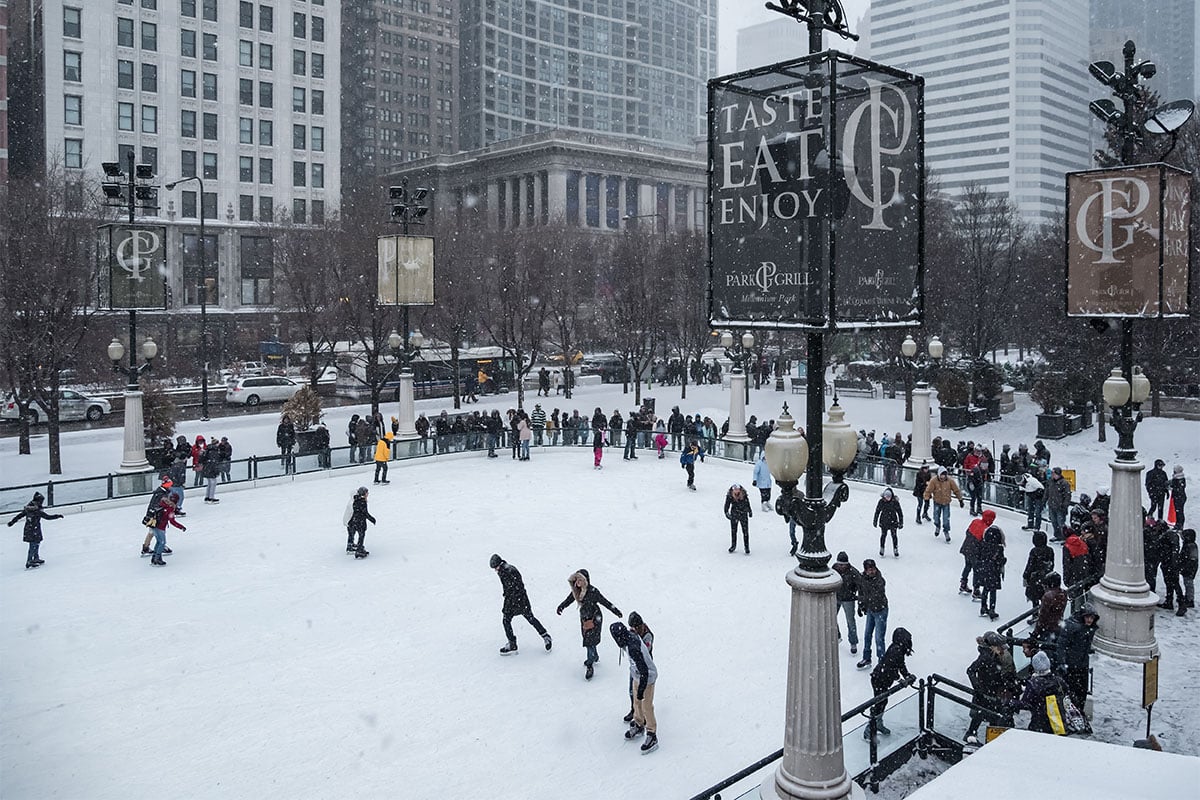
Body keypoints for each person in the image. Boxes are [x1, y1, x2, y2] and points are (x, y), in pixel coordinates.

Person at [556, 569, 622, 680]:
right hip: (585, 619)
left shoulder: (593, 591)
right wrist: (561, 606)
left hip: (595, 618)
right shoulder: (576, 591)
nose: (577, 582)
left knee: (589, 642)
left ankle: (590, 665)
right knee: (589, 640)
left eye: (580, 580)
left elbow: (605, 602)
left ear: (585, 581)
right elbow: (569, 599)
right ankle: (594, 656)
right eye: (576, 579)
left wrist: (616, 611)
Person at [610, 621, 658, 753]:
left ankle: (652, 734)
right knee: (636, 703)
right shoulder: (628, 637)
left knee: (646, 705)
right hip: (636, 675)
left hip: (647, 678)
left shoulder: (633, 646)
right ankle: (638, 723)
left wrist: (642, 689)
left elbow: (645, 671)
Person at [490, 554, 552, 655]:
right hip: (514, 600)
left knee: (526, 619)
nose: (495, 570)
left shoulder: (509, 571)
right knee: (510, 620)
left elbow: (516, 587)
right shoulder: (503, 570)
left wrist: (510, 597)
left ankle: (545, 637)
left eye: (495, 568)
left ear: (499, 564)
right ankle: (513, 644)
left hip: (519, 600)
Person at [863, 628, 915, 739]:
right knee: (879, 703)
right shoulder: (896, 650)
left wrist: (907, 675)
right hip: (879, 679)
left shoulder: (898, 649)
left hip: (882, 679)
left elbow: (901, 665)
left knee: (882, 701)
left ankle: (878, 723)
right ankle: (869, 729)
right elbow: (890, 668)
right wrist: (899, 679)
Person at [964, 631, 1016, 742]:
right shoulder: (985, 657)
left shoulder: (993, 656)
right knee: (987, 716)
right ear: (993, 647)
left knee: (985, 716)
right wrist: (978, 688)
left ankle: (979, 735)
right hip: (987, 692)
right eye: (1000, 648)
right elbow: (970, 670)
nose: (1003, 650)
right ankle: (984, 738)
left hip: (990, 692)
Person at [1013, 651, 1068, 735]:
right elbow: (1066, 693)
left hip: (1039, 723)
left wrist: (1011, 702)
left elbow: (1025, 703)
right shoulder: (1059, 681)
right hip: (1057, 723)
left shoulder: (1033, 684)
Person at [1057, 605, 1099, 710]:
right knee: (1074, 692)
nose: (1089, 620)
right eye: (1088, 617)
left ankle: (1077, 711)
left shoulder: (1083, 628)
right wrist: (1062, 662)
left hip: (1081, 664)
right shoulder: (1075, 628)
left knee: (1080, 692)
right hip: (1072, 665)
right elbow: (1062, 645)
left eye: (1092, 618)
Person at [8, 491, 63, 569]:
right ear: (38, 501)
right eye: (41, 501)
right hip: (32, 529)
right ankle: (29, 561)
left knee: (36, 543)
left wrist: (12, 522)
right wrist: (57, 516)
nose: (42, 503)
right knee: (33, 544)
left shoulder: (30, 508)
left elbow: (19, 516)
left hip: (32, 529)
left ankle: (35, 558)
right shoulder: (36, 510)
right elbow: (48, 517)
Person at [856, 559, 888, 669]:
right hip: (871, 610)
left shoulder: (879, 580)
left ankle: (881, 660)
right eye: (870, 570)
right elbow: (861, 591)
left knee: (879, 637)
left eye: (873, 569)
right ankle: (867, 658)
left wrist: (861, 599)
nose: (872, 571)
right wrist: (860, 605)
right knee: (867, 635)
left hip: (880, 610)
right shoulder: (862, 579)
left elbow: (875, 595)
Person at [623, 612, 655, 722]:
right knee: (632, 691)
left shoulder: (647, 636)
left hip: (644, 668)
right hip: (634, 667)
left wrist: (635, 641)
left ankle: (643, 715)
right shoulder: (634, 633)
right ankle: (634, 710)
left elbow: (645, 651)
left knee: (643, 694)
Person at [923, 467, 964, 542]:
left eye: (944, 475)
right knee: (936, 517)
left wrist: (960, 499)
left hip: (946, 503)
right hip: (937, 502)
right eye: (942, 475)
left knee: (946, 518)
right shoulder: (934, 481)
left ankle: (946, 531)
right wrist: (926, 499)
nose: (943, 477)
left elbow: (956, 490)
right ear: (939, 475)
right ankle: (937, 526)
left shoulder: (950, 481)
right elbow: (928, 490)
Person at [959, 509, 995, 596]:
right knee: (977, 571)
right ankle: (976, 590)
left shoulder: (975, 521)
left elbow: (967, 532)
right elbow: (984, 544)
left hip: (967, 548)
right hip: (975, 553)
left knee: (967, 566)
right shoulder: (986, 530)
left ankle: (963, 583)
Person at [975, 525, 1006, 621]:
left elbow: (979, 557)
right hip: (994, 572)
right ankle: (992, 609)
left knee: (985, 589)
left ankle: (983, 607)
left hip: (984, 570)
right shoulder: (999, 548)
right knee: (993, 591)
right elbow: (1000, 561)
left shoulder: (983, 545)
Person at [833, 552, 861, 655]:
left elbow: (860, 585)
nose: (841, 566)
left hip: (849, 599)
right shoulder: (833, 569)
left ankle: (853, 642)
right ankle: (837, 635)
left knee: (850, 621)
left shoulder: (853, 572)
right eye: (839, 564)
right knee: (831, 617)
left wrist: (860, 599)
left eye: (843, 564)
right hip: (836, 597)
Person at [148, 494, 186, 567]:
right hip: (160, 527)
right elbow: (172, 521)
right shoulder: (170, 508)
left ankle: (154, 558)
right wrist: (181, 527)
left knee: (159, 542)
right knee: (162, 542)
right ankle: (157, 559)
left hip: (154, 525)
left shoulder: (162, 503)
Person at [1022, 531, 1056, 609]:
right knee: (1045, 597)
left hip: (1035, 578)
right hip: (1047, 577)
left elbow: (1030, 565)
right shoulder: (1050, 550)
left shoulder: (1034, 551)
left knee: (1035, 598)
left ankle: (1035, 614)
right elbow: (1052, 564)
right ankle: (1044, 614)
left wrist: (1025, 575)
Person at [344, 486, 376, 558]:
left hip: (352, 521)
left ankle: (350, 546)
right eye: (367, 492)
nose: (368, 494)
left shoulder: (355, 500)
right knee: (361, 535)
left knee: (352, 534)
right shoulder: (362, 502)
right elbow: (365, 513)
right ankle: (359, 550)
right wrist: (372, 519)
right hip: (359, 521)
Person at [872, 488, 904, 558]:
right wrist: (875, 520)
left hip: (893, 521)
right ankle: (882, 548)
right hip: (884, 521)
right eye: (886, 497)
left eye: (889, 497)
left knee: (894, 536)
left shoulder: (895, 502)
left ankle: (895, 549)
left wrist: (901, 522)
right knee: (883, 535)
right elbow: (877, 511)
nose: (888, 498)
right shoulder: (881, 502)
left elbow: (900, 512)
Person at [724, 484, 753, 554]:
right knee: (734, 531)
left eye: (738, 489)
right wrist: (726, 513)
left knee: (745, 531)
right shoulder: (730, 496)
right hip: (734, 515)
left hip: (743, 514)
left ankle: (746, 547)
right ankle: (733, 546)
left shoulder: (744, 495)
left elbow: (747, 503)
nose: (736, 491)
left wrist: (750, 511)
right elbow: (726, 505)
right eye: (735, 489)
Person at [1046, 467, 1072, 541]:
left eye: (1054, 474)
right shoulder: (1050, 481)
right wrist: (1045, 500)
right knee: (1054, 521)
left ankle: (1064, 537)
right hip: (1051, 505)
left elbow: (1067, 496)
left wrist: (1064, 505)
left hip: (1060, 507)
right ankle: (1057, 535)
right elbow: (1047, 492)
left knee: (1061, 523)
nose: (1052, 475)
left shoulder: (1064, 483)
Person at [1178, 529, 1197, 617]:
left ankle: (1190, 599)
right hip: (1187, 568)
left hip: (1189, 569)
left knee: (1189, 583)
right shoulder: (1188, 545)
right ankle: (1188, 597)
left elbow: (1192, 559)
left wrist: (1186, 566)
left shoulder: (1191, 546)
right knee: (1187, 583)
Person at [200, 439, 221, 503]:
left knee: (209, 483)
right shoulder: (214, 451)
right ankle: (211, 497)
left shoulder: (207, 450)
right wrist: (216, 471)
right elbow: (214, 462)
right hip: (211, 469)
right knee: (213, 483)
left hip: (207, 468)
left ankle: (207, 496)